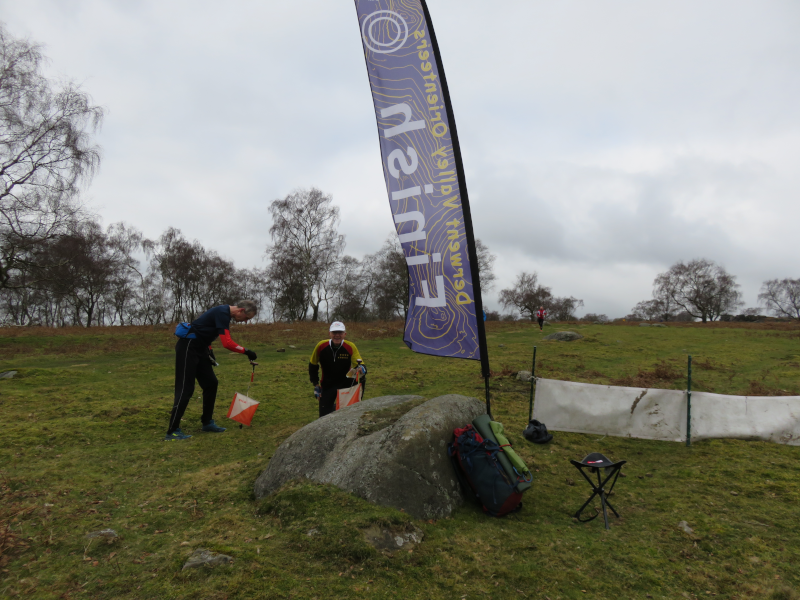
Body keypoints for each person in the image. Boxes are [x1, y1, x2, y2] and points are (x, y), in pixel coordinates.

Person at [165, 300, 259, 441]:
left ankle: (207, 423)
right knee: (186, 388)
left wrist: (209, 351)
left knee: (211, 383)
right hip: (188, 348)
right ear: (241, 311)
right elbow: (227, 343)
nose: (245, 321)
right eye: (246, 318)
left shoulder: (224, 314)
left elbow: (204, 330)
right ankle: (172, 431)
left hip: (201, 349)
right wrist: (247, 351)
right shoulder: (222, 313)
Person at [308, 321, 366, 418]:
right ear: (329, 333)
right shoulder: (321, 346)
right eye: (334, 333)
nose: (337, 335)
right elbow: (313, 365)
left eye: (340, 333)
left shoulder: (350, 346)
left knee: (347, 415)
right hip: (327, 384)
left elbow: (360, 365)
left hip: (346, 384)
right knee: (324, 417)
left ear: (344, 334)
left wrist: (362, 369)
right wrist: (316, 385)